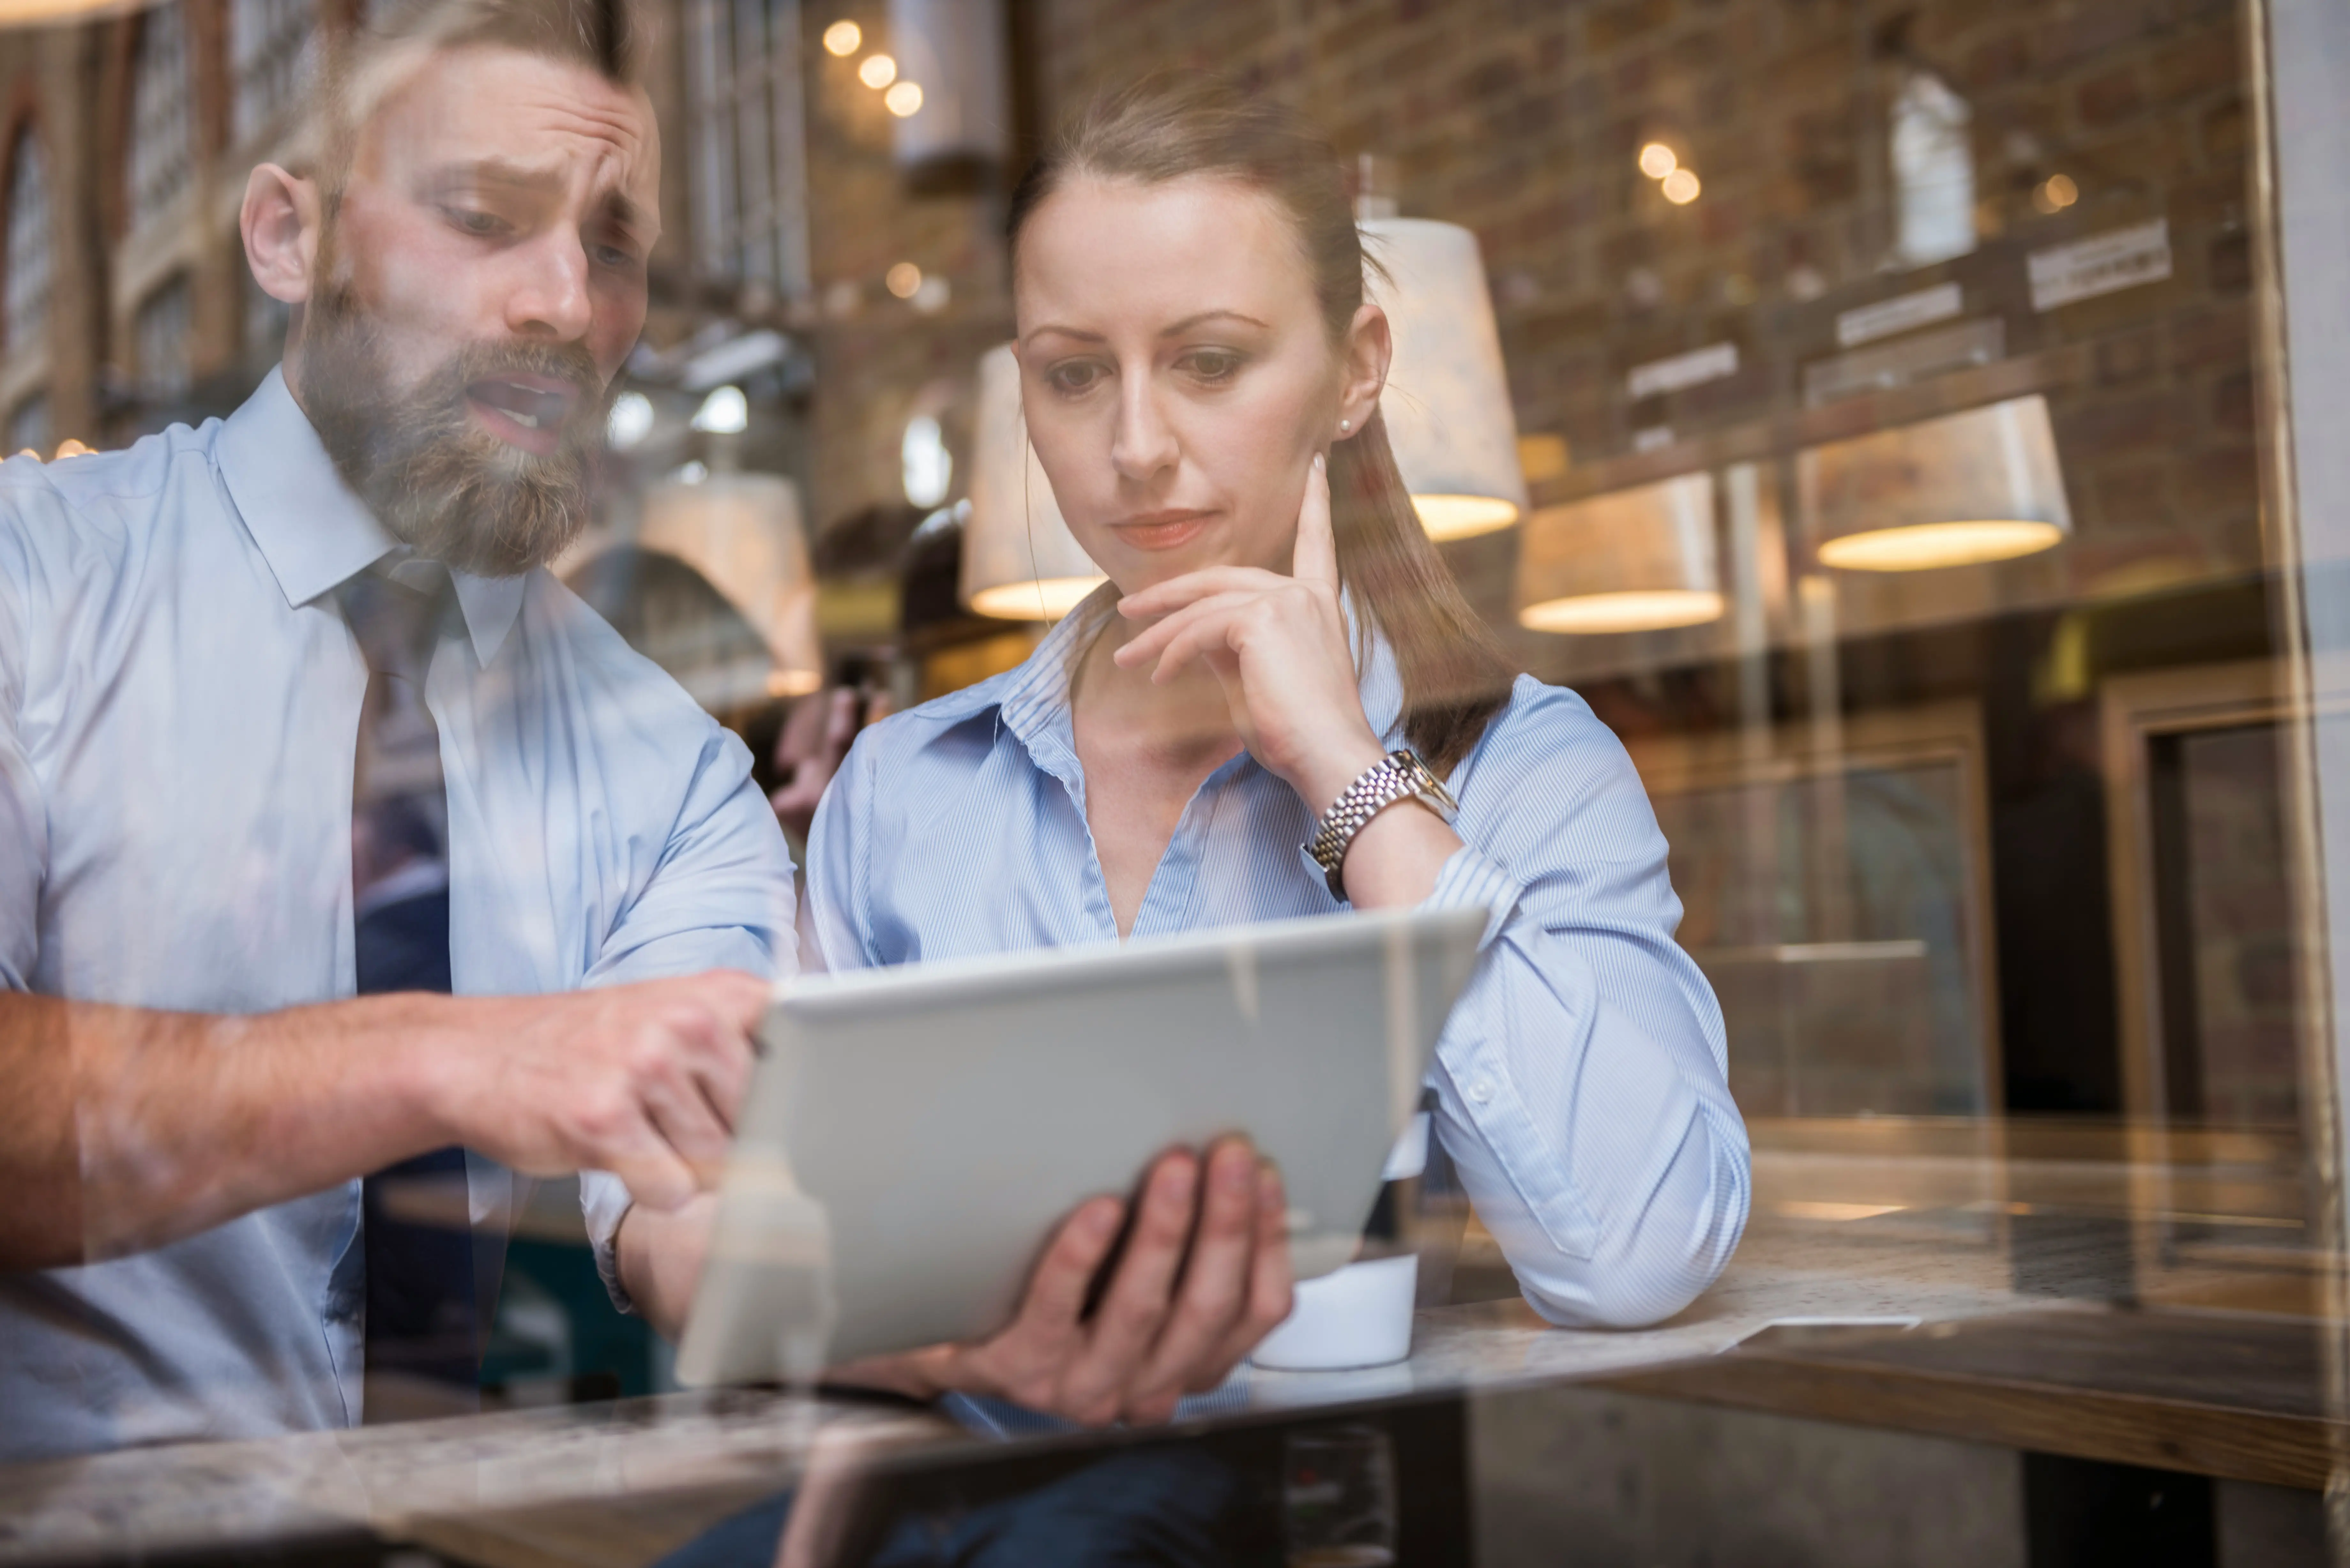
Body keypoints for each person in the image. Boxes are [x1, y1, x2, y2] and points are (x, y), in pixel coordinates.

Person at [604, 75, 1752, 1437]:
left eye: (1208, 361)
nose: (1135, 448)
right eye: (1074, 373)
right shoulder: (907, 789)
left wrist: (1343, 770)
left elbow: (1637, 1253)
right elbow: (770, 1254)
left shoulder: (1521, 765)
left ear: (1356, 368)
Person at [0, 0, 794, 1460]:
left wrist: (908, 1293)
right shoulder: (30, 586)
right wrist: (438, 1060)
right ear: (289, 238)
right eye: (486, 215)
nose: (565, 300)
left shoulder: (668, 767)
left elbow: (695, 1198)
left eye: (612, 243)